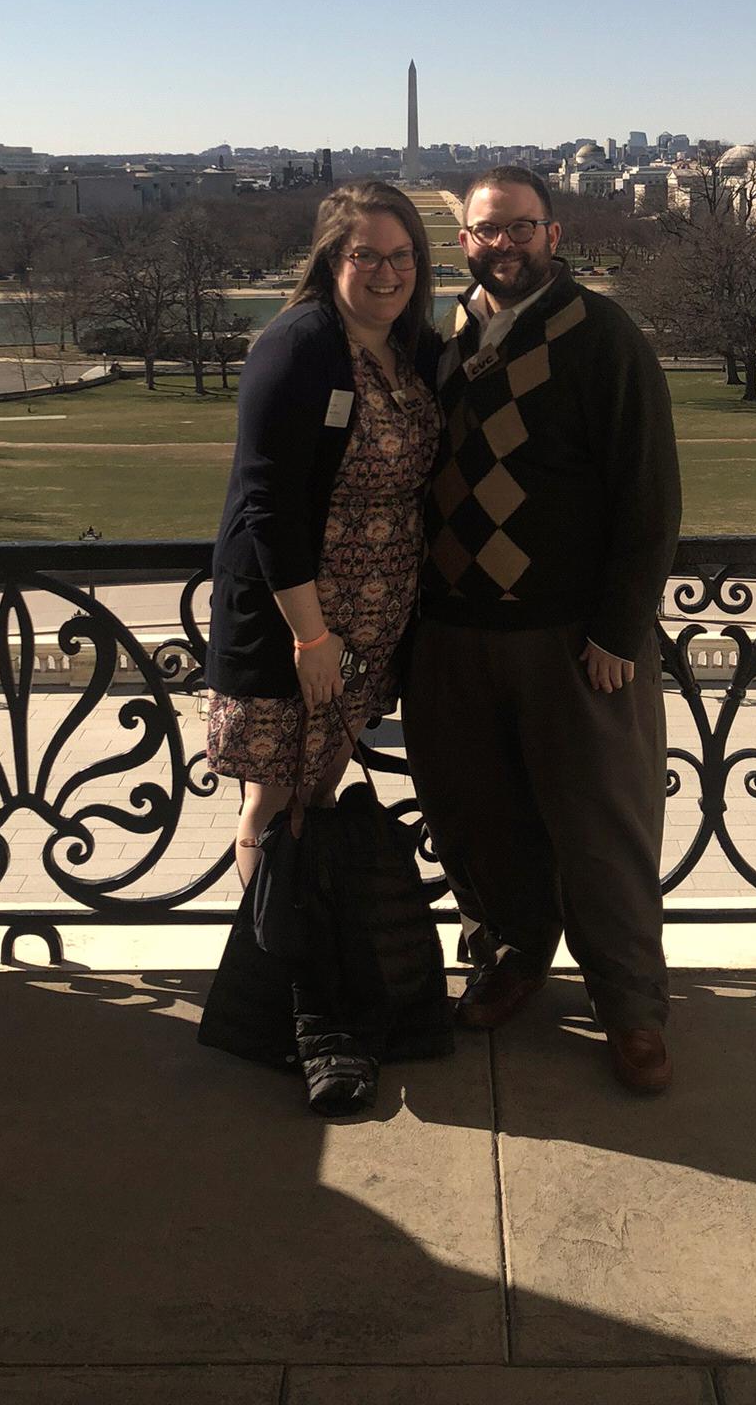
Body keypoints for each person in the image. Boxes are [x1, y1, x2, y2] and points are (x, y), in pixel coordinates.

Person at [402, 166, 682, 1095]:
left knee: (603, 830)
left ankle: (630, 1005)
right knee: (475, 820)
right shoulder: (434, 338)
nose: (504, 244)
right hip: (450, 633)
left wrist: (619, 629)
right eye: (488, 231)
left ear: (552, 235)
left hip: (572, 641)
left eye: (521, 228)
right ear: (466, 240)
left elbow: (649, 498)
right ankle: (514, 957)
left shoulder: (603, 337)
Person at [205, 181, 441, 885]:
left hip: (367, 628)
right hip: (295, 625)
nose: (387, 273)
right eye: (367, 255)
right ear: (333, 257)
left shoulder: (413, 348)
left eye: (402, 256)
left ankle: (320, 956)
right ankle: (271, 965)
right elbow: (267, 501)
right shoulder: (299, 346)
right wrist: (311, 639)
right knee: (274, 802)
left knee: (321, 788)